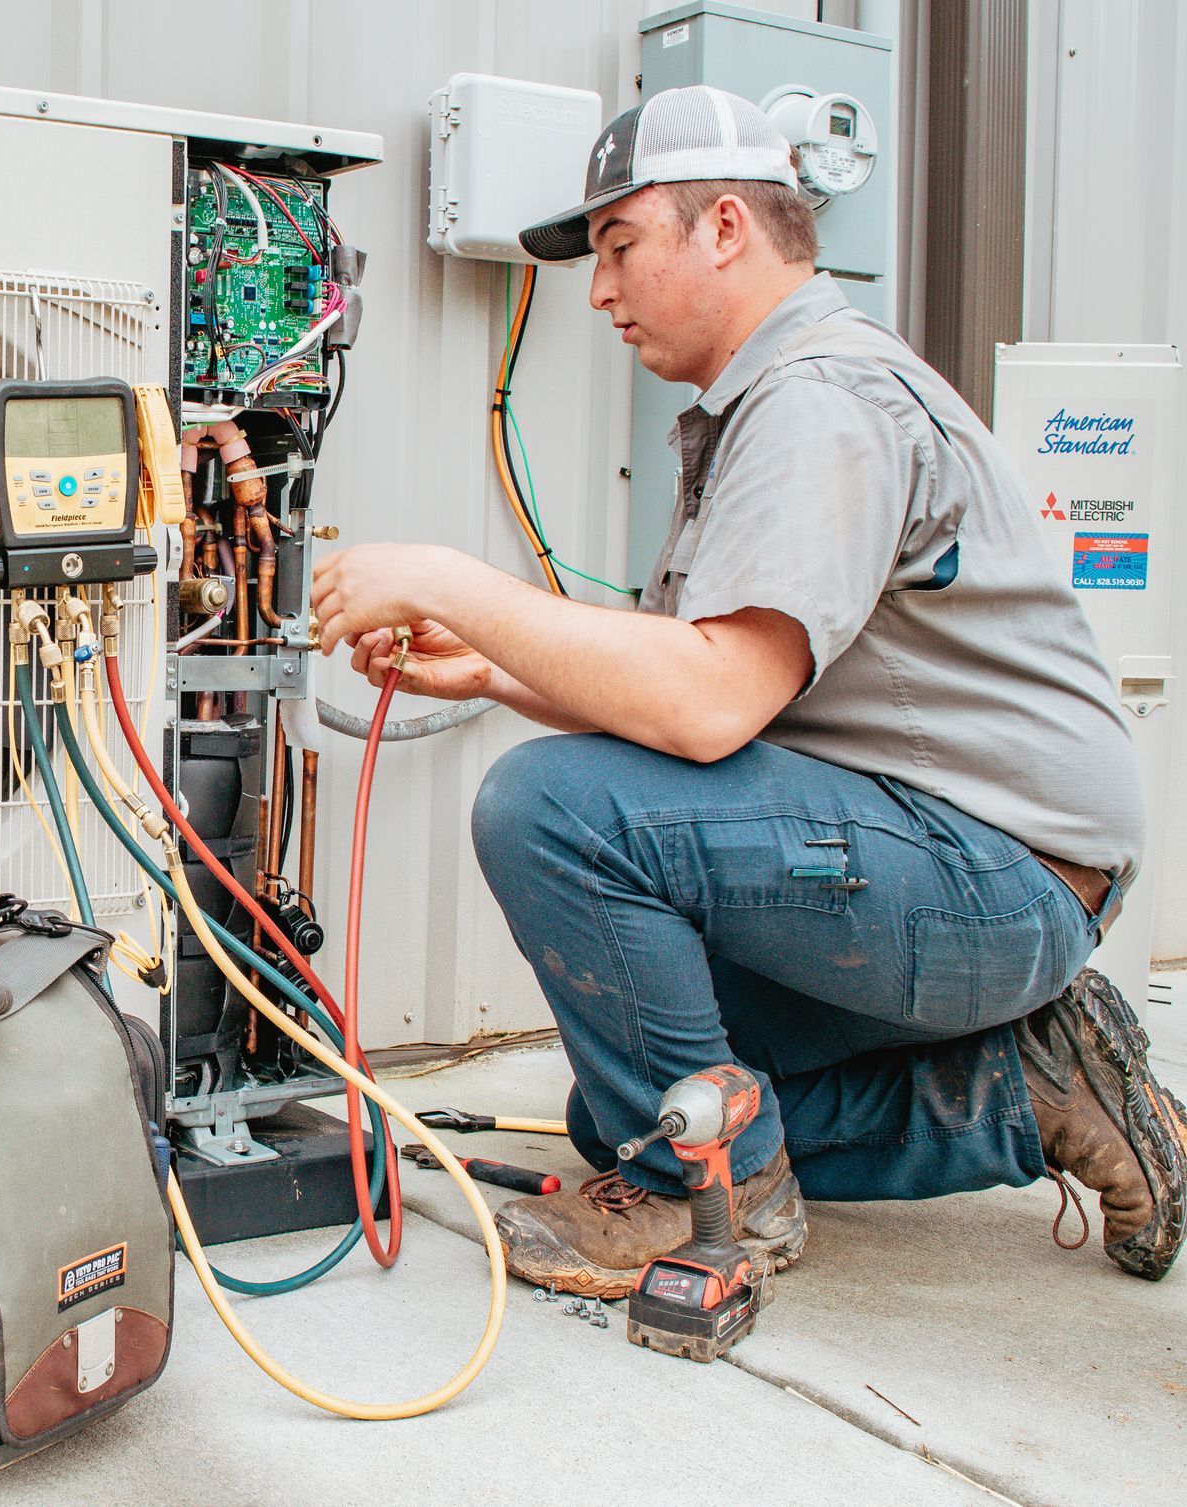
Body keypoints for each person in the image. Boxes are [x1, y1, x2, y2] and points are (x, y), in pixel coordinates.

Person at [311, 85, 1186, 1295]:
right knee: (637, 1107)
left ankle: (705, 1207)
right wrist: (502, 672)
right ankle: (1030, 1093)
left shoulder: (822, 401)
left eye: (620, 247)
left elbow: (707, 706)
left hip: (994, 874)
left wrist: (453, 583)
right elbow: (698, 676)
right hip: (961, 864)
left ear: (725, 227)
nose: (601, 292)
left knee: (547, 806)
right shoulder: (774, 398)